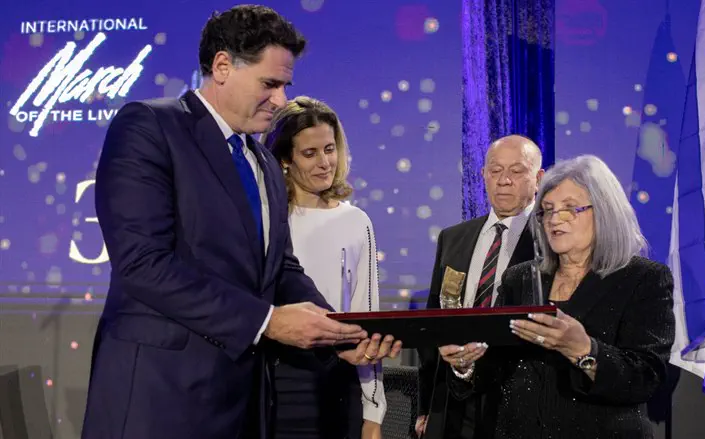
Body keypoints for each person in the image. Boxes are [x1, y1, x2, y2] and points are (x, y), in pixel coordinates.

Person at [81, 6, 400, 439]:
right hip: (159, 400)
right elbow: (142, 263)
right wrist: (268, 321)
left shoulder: (265, 163)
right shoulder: (150, 126)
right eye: (269, 83)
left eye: (286, 85)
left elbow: (281, 268)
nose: (282, 100)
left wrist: (339, 335)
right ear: (223, 66)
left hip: (244, 403)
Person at [440, 155, 675, 439]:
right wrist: (466, 364)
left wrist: (583, 349)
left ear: (604, 211)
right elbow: (496, 368)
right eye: (547, 210)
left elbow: (646, 379)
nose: (554, 220)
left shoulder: (643, 278)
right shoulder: (520, 278)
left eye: (569, 209)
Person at [262, 96, 386, 439]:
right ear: (285, 158)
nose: (324, 162)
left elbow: (366, 318)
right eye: (310, 153)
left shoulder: (355, 221)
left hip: (338, 380)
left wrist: (374, 411)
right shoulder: (266, 219)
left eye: (329, 149)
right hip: (273, 382)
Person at [416, 135, 545, 439]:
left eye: (516, 171)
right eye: (495, 170)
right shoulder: (453, 238)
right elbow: (433, 323)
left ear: (538, 178)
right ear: (483, 175)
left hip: (517, 402)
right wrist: (426, 407)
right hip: (454, 400)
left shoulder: (548, 243)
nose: (504, 181)